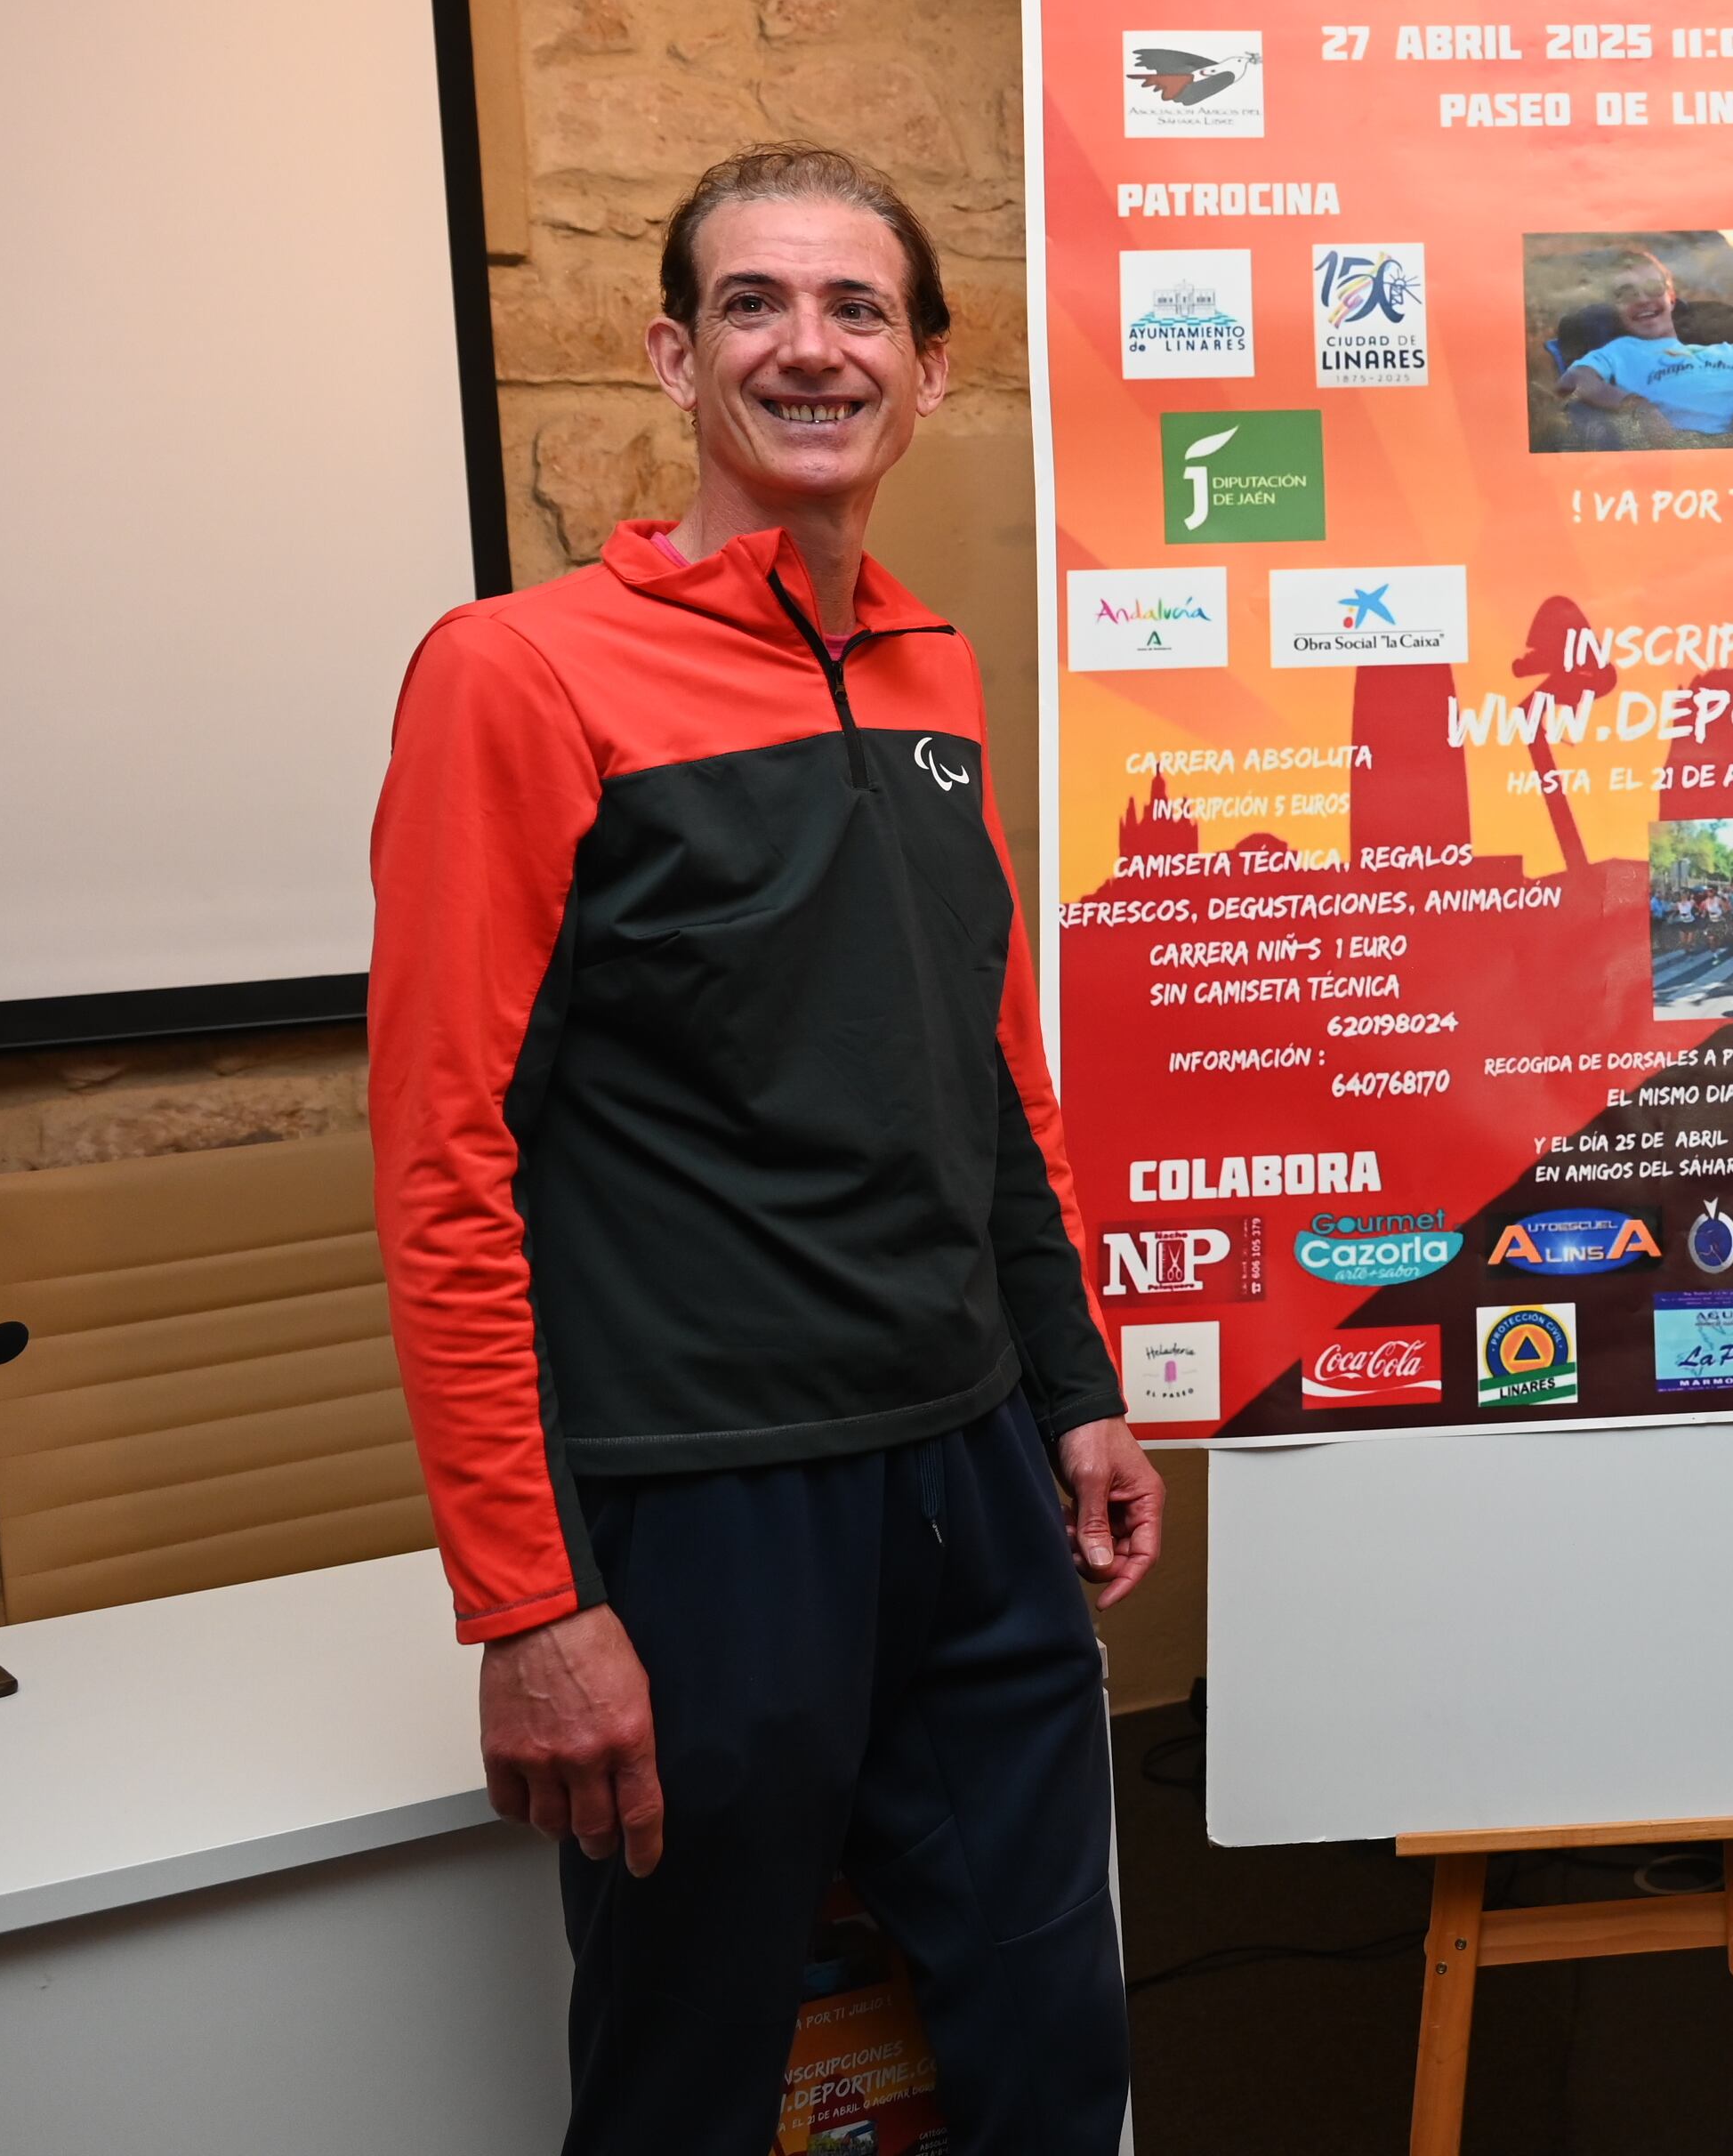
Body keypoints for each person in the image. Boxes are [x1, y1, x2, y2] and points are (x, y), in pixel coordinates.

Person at [369, 146, 1162, 2156]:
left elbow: (986, 1077)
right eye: (752, 304)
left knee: (1050, 2047)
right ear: (671, 351)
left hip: (969, 1483)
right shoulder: (517, 672)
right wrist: (526, 1598)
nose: (807, 346)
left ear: (927, 368)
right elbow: (443, 1156)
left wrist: (1073, 1393)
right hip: (704, 1511)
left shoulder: (933, 668)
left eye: (855, 308)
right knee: (687, 2077)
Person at [1553, 246, 1733, 438]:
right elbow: (1572, 380)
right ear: (1615, 308)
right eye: (1627, 294)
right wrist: (1638, 407)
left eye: (1654, 288)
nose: (1643, 299)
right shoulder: (1618, 352)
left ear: (1672, 298)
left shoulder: (1727, 350)